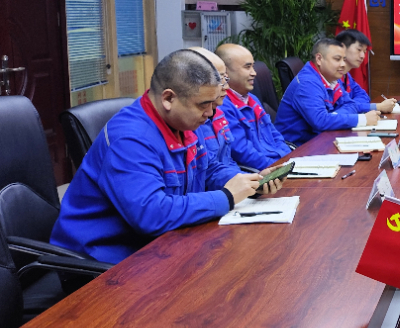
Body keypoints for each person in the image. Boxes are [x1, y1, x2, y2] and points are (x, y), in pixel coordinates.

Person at [50, 50, 281, 264]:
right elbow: (151, 214)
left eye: (213, 104)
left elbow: (209, 168)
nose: (210, 113)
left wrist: (247, 183)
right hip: (103, 262)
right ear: (168, 98)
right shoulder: (131, 139)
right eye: (204, 105)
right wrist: (227, 197)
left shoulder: (185, 122)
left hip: (160, 245)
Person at [275, 38, 380, 144]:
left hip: (322, 139)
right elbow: (320, 121)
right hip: (298, 147)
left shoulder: (331, 78)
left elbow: (351, 105)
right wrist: (362, 119)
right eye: (337, 59)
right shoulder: (307, 83)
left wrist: (332, 117)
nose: (343, 64)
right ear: (319, 59)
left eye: (344, 59)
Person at [216, 43, 292, 170]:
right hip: (261, 172)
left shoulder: (252, 99)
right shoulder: (222, 105)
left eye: (253, 66)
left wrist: (289, 159)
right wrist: (279, 167)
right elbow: (243, 152)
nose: (254, 73)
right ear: (226, 72)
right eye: (247, 67)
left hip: (277, 165)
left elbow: (275, 135)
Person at [189, 47, 240, 174]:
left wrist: (249, 179)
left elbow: (226, 161)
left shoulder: (217, 112)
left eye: (225, 79)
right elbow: (207, 172)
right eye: (219, 80)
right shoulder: (190, 120)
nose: (226, 87)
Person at [335, 30, 396, 114]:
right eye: (359, 50)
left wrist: (353, 106)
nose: (362, 56)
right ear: (343, 47)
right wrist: (378, 107)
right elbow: (339, 110)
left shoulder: (346, 76)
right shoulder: (331, 77)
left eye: (364, 51)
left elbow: (363, 96)